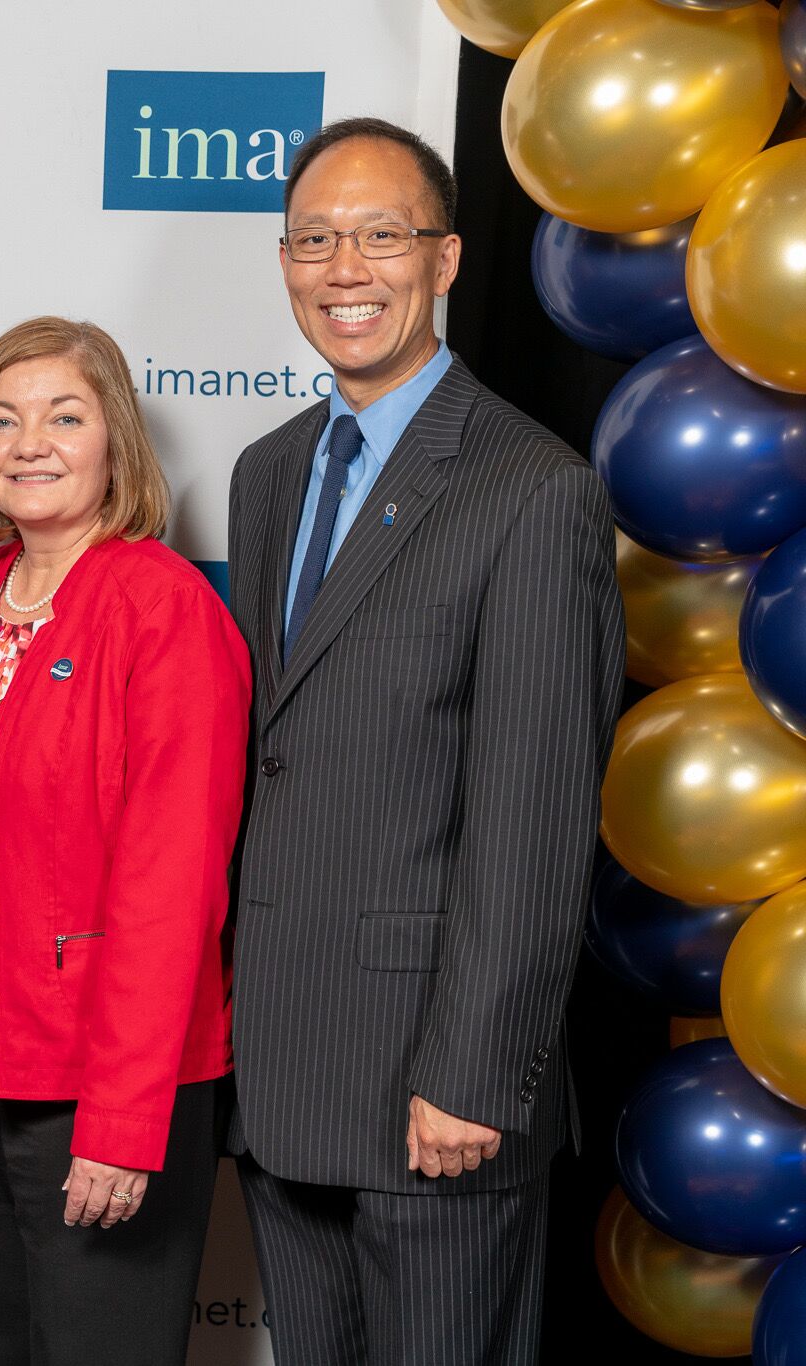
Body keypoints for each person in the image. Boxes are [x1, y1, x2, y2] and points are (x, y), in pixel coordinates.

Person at [224, 117, 624, 1365]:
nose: (345, 268)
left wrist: (473, 1069)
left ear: (443, 261)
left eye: (380, 236)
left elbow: (534, 811)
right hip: (281, 1073)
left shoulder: (531, 488)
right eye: (314, 239)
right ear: (283, 260)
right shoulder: (265, 472)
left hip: (430, 1085)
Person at [0, 316, 251, 1365]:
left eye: (62, 416)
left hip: (96, 1078)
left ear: (114, 441)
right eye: (1, 419)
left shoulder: (163, 609)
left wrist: (123, 1123)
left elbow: (170, 891)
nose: (27, 441)